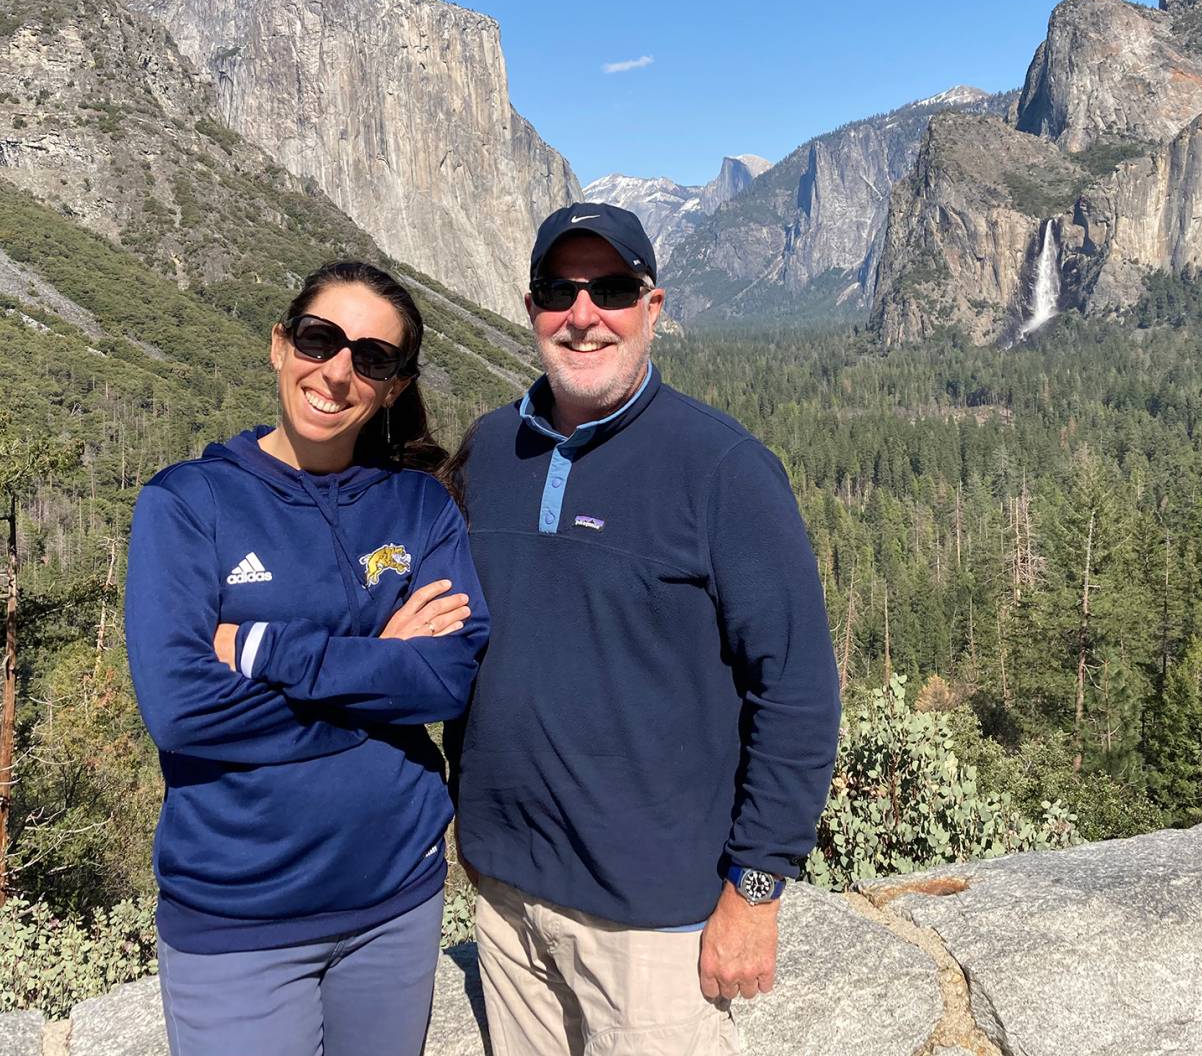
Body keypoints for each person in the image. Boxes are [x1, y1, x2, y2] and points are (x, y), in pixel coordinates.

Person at [449, 204, 841, 1055]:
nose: (583, 314)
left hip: (657, 928)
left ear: (652, 308)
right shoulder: (485, 452)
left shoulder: (723, 469)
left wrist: (757, 888)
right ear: (529, 307)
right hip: (507, 903)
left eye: (612, 289)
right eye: (560, 289)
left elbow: (798, 692)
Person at [125, 261, 490, 1056]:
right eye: (320, 340)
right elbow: (182, 710)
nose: (337, 372)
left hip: (398, 895)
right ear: (279, 345)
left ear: (393, 387)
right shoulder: (188, 505)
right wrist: (380, 669)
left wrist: (262, 649)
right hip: (237, 913)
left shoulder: (419, 506)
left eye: (372, 358)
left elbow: (451, 675)